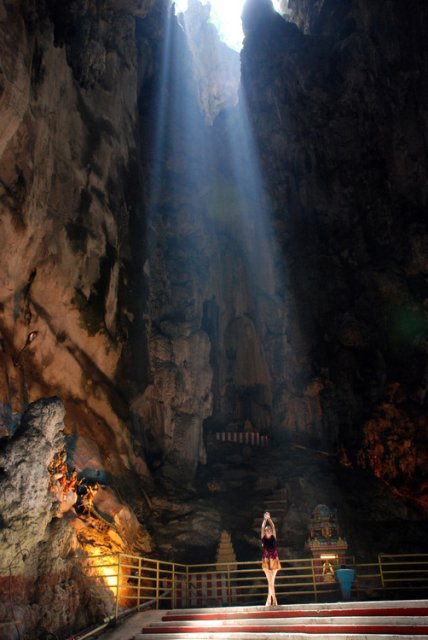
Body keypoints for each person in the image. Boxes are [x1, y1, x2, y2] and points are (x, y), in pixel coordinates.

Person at [261, 511, 281, 606]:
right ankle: (273, 600)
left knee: (272, 580)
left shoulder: (273, 538)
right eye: (267, 530)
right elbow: (262, 528)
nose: (269, 531)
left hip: (274, 559)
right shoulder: (263, 539)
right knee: (269, 580)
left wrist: (269, 519)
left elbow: (273, 527)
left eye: (269, 530)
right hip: (266, 560)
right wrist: (265, 520)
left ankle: (269, 600)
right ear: (265, 532)